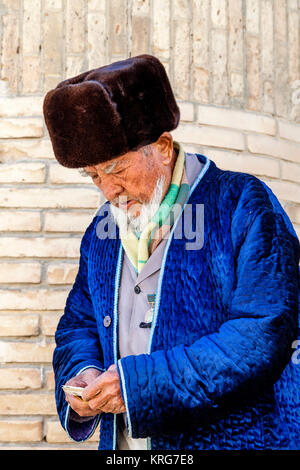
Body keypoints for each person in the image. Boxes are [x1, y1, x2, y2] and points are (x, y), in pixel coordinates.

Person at [43, 54, 300, 450]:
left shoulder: (243, 204)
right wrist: (83, 372)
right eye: (93, 175)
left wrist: (137, 388)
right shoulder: (101, 232)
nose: (106, 191)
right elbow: (78, 324)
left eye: (115, 169)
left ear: (163, 147)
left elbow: (262, 335)